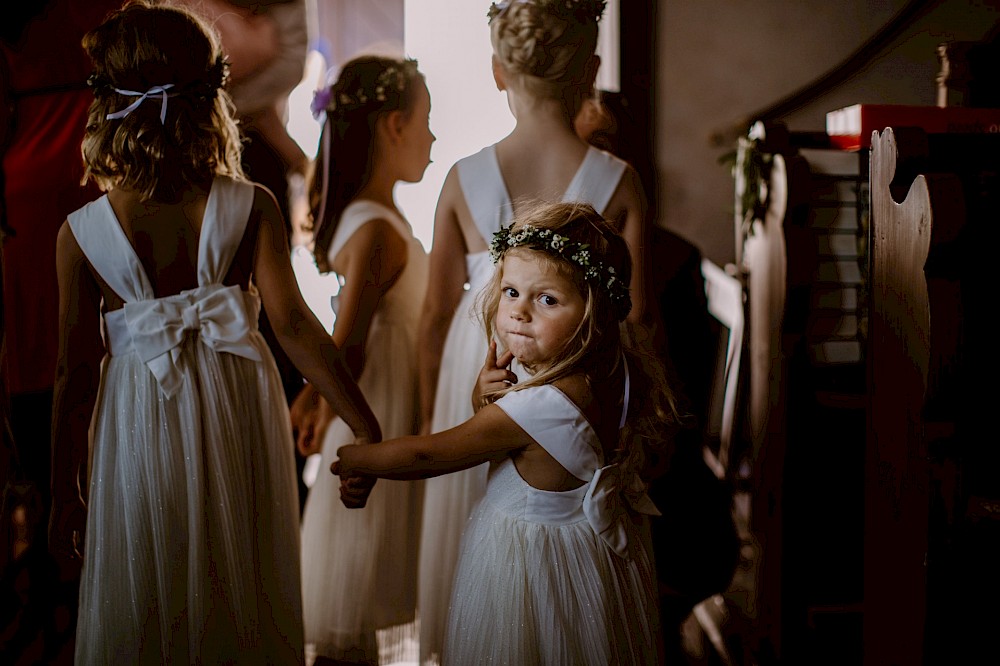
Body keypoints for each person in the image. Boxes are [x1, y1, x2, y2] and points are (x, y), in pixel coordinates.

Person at [46, 2, 381, 662]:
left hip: (138, 421)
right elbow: (294, 326)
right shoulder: (248, 205)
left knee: (152, 575)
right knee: (235, 578)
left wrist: (65, 494)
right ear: (211, 100)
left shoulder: (80, 235)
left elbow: (74, 372)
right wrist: (361, 422)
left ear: (109, 109)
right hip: (234, 417)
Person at [415, 1, 656, 661]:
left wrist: (430, 403)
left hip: (481, 367)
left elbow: (436, 312)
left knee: (482, 537)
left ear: (498, 72)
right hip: (579, 374)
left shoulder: (463, 177)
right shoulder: (620, 180)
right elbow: (638, 317)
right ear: (592, 70)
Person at [334, 202, 675, 664]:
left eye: (547, 300)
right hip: (586, 568)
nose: (519, 313)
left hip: (533, 574)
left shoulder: (540, 406)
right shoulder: (612, 373)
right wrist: (483, 400)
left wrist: (358, 459)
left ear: (593, 312)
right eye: (511, 291)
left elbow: (429, 455)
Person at [292, 54, 433, 665]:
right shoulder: (375, 228)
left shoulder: (377, 217)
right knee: (360, 577)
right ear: (393, 127)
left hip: (388, 400)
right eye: (427, 121)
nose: (433, 137)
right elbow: (346, 342)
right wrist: (320, 404)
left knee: (371, 581)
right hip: (378, 409)